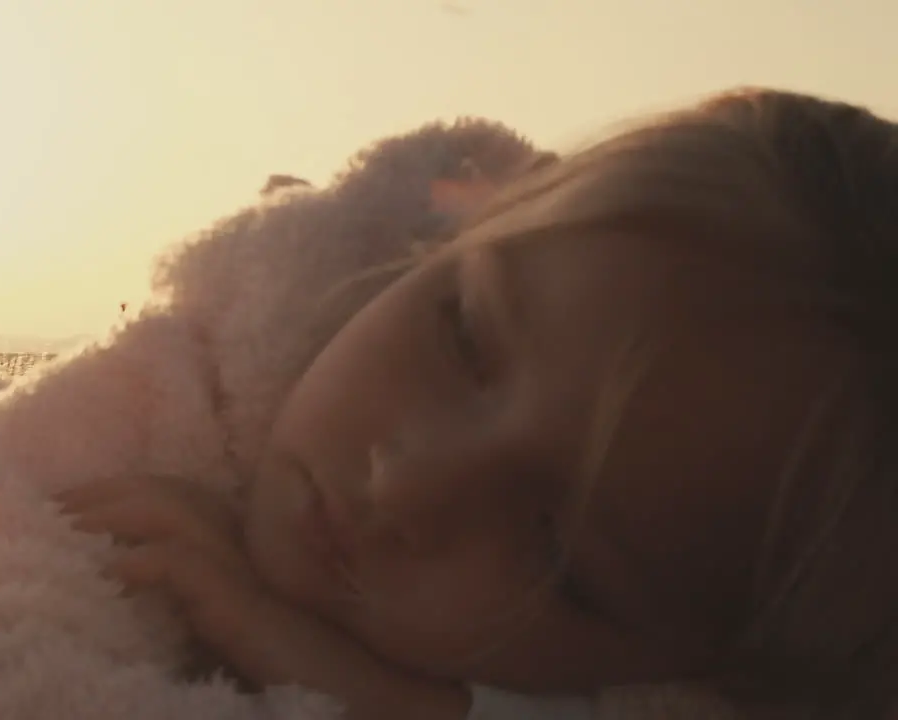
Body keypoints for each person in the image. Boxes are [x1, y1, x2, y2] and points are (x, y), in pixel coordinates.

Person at [59, 88, 898, 719]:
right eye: (461, 337)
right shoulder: (160, 394)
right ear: (455, 241)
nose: (405, 486)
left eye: (560, 555)